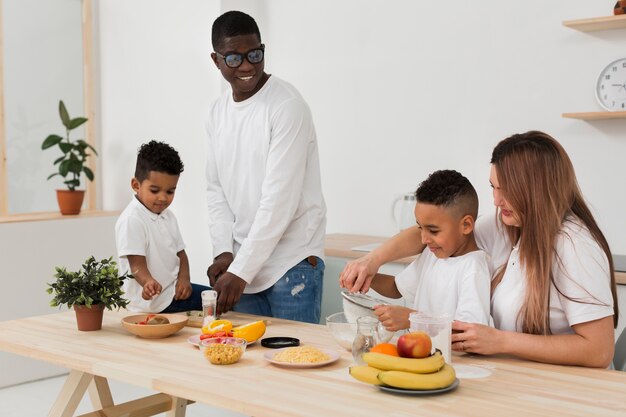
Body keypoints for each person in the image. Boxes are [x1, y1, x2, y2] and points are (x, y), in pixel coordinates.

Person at [340, 131, 618, 368]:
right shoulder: (509, 225)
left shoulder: (575, 247)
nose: (496, 201)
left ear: (535, 189)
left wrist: (500, 340)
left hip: (564, 390)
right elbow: (431, 230)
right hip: (517, 378)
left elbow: (599, 350)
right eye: (493, 187)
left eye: (506, 189)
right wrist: (371, 261)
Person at [205, 11, 326, 323]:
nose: (247, 66)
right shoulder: (217, 113)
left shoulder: (287, 106)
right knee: (245, 367)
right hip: (244, 266)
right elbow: (215, 189)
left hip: (292, 263)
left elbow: (279, 201)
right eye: (233, 58)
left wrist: (240, 269)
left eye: (255, 54)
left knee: (293, 364)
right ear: (216, 60)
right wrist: (223, 252)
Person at [350, 170, 491, 332]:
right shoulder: (434, 254)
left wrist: (412, 318)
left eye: (433, 230)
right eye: (420, 227)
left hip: (451, 357)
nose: (424, 239)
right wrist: (366, 278)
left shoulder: (473, 269)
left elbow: (469, 331)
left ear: (466, 225)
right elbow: (397, 288)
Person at [116, 140, 210, 313]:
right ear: (136, 185)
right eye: (154, 190)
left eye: (170, 191)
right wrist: (148, 282)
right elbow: (136, 265)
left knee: (212, 297)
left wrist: (184, 279)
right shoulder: (133, 219)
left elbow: (181, 254)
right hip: (150, 302)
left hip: (171, 292)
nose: (163, 198)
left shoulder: (168, 216)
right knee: (214, 301)